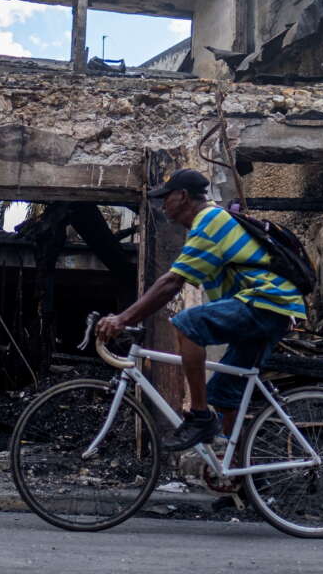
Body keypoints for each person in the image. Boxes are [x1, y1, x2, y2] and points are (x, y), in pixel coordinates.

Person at [96, 169, 306, 451]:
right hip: (272, 308)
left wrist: (123, 318)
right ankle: (237, 482)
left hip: (267, 302)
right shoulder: (210, 224)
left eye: (166, 198)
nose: (162, 205)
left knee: (188, 324)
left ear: (183, 196)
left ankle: (199, 416)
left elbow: (172, 282)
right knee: (225, 394)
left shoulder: (209, 220)